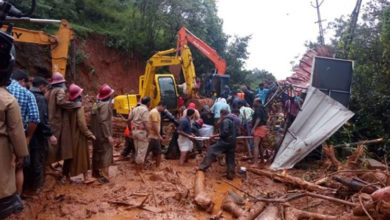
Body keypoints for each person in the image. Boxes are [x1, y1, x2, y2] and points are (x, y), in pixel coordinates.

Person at [0, 30, 29, 219]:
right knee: (3, 185)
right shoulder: (8, 100)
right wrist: (22, 154)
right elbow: (17, 132)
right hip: (2, 148)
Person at [7, 70, 40, 195]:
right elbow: (35, 118)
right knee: (18, 168)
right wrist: (28, 137)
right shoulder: (27, 94)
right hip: (20, 136)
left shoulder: (3, 91)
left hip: (3, 136)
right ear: (22, 81)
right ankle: (17, 198)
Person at [24, 77, 57, 193]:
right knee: (38, 160)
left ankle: (26, 187)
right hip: (37, 136)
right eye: (45, 87)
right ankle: (37, 188)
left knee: (27, 160)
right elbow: (42, 119)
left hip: (25, 134)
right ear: (41, 86)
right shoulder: (40, 98)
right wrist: (50, 135)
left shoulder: (25, 94)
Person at [47, 72, 81, 173]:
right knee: (60, 146)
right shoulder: (59, 90)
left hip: (52, 121)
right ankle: (59, 170)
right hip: (58, 123)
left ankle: (50, 167)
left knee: (52, 146)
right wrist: (75, 105)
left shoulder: (50, 91)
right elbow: (61, 102)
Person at [66, 84, 96, 183]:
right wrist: (90, 134)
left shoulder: (67, 106)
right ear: (78, 96)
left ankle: (66, 177)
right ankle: (86, 177)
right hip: (78, 136)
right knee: (83, 157)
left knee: (68, 156)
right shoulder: (79, 108)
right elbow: (82, 124)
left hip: (68, 136)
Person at [199, 109, 237, 180]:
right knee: (230, 158)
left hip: (225, 141)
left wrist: (214, 136)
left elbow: (224, 133)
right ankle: (230, 174)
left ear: (221, 114)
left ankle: (202, 167)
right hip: (232, 142)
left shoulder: (225, 121)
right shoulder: (232, 121)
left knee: (211, 150)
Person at [91, 84, 114, 183]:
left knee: (97, 152)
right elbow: (104, 121)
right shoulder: (105, 106)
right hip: (103, 135)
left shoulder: (96, 104)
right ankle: (105, 176)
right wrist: (108, 136)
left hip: (95, 133)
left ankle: (95, 172)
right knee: (106, 153)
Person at [128, 96, 150, 173]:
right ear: (148, 103)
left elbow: (129, 120)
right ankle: (139, 170)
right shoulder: (145, 110)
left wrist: (130, 130)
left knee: (137, 150)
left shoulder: (135, 109)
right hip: (142, 132)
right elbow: (145, 122)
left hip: (134, 131)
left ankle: (137, 168)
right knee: (142, 151)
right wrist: (149, 133)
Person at [146, 102, 166, 168]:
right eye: (164, 108)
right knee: (157, 152)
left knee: (156, 152)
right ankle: (157, 167)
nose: (164, 109)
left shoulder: (155, 112)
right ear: (161, 106)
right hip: (153, 136)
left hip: (153, 136)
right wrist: (159, 135)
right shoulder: (155, 112)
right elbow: (154, 125)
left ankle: (156, 167)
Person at [251, 98, 268, 165]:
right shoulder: (263, 109)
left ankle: (255, 163)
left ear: (258, 102)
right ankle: (262, 160)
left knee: (256, 145)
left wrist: (253, 128)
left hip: (259, 128)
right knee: (259, 145)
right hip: (264, 127)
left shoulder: (258, 109)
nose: (253, 103)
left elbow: (258, 119)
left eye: (254, 102)